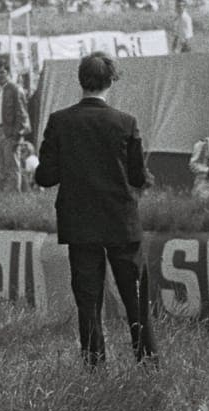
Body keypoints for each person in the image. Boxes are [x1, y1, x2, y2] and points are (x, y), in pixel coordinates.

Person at [34, 52, 158, 366]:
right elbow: (137, 177)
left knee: (88, 302)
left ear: (81, 80)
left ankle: (95, 367)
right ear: (110, 81)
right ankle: (148, 363)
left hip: (80, 224)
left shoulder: (59, 121)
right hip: (121, 221)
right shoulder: (126, 122)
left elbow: (45, 177)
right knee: (136, 300)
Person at [0, 59, 30, 193]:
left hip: (10, 132)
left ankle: (13, 198)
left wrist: (17, 135)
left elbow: (22, 114)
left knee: (12, 166)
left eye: (2, 72)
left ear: (8, 72)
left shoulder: (14, 89)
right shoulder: (0, 90)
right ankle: (6, 196)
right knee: (2, 166)